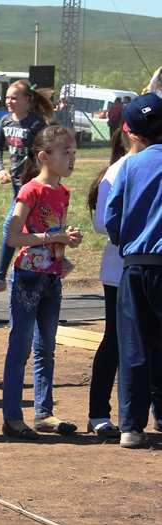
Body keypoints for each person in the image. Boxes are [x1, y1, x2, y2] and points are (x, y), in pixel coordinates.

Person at [1, 125, 83, 440]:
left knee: (46, 349)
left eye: (74, 152)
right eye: (66, 152)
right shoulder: (30, 191)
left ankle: (44, 414)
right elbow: (13, 237)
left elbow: (52, 233)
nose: (72, 158)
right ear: (44, 157)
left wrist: (67, 239)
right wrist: (55, 236)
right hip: (27, 278)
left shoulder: (62, 192)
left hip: (52, 278)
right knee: (19, 348)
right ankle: (12, 417)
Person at [85, 127, 161, 440]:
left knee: (151, 346)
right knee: (118, 343)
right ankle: (100, 413)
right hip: (121, 270)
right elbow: (104, 221)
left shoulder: (135, 164)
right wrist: (135, 236)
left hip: (133, 264)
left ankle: (149, 414)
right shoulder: (120, 169)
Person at [104, 94, 162, 448]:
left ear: (129, 131)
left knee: (134, 345)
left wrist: (130, 238)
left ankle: (131, 426)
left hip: (138, 264)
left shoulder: (130, 166)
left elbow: (112, 219)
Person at [0, 80, 52, 297]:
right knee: (29, 226)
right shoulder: (5, 121)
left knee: (10, 227)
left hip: (30, 186)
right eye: (7, 98)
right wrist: (0, 169)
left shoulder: (36, 124)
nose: (9, 102)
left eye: (14, 98)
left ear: (27, 100)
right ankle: (61, 261)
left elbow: (49, 149)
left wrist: (39, 175)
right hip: (15, 186)